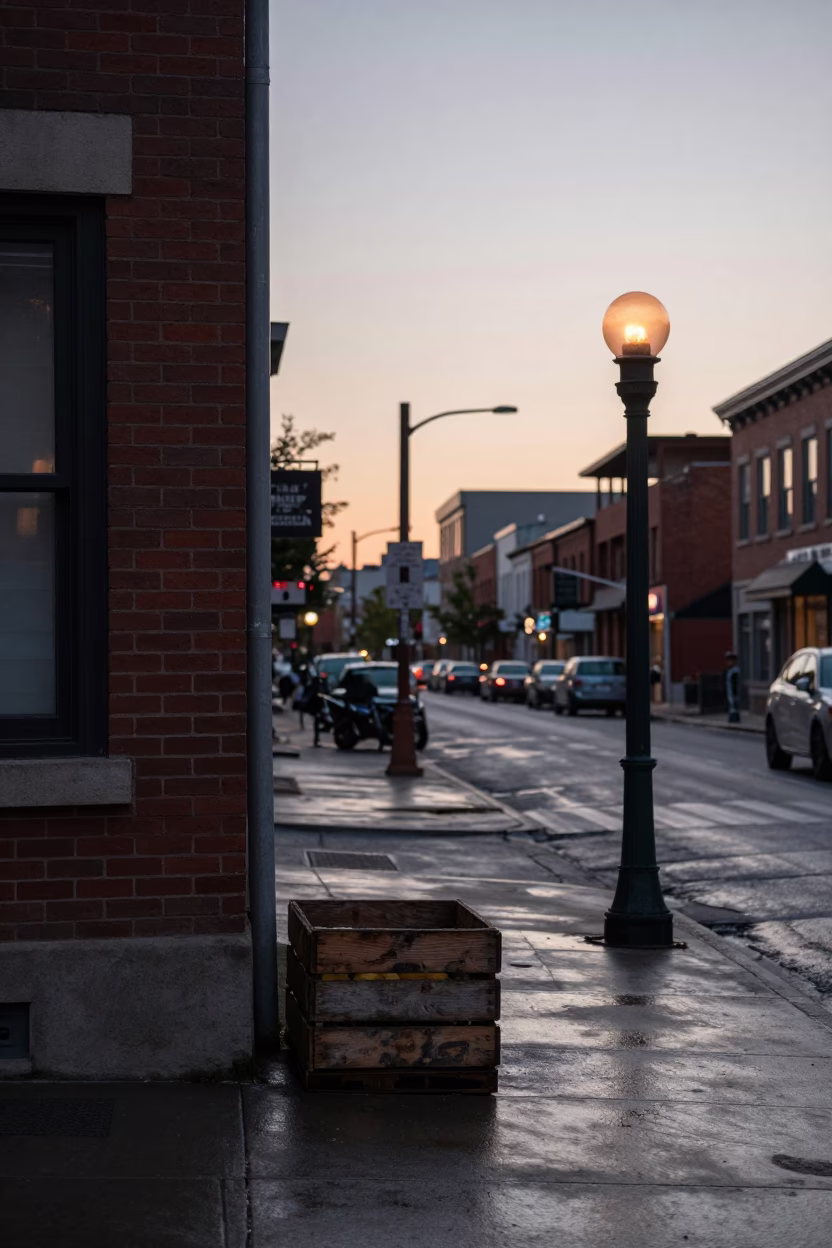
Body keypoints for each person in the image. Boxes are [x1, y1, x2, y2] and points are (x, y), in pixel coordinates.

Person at [725, 651, 741, 723]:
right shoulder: (730, 670)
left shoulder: (735, 671)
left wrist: (735, 692)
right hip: (730, 691)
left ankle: (734, 718)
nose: (729, 662)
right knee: (732, 705)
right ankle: (733, 717)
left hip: (733, 691)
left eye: (730, 660)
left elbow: (735, 683)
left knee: (734, 705)